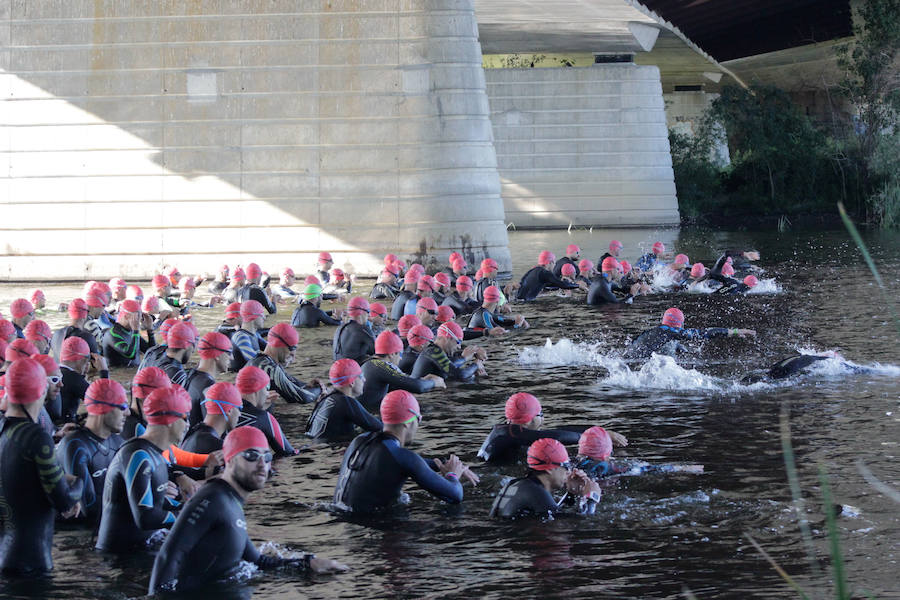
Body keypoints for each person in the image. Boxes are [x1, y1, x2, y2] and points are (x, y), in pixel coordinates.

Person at [149, 426, 347, 593]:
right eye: (251, 455)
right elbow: (168, 557)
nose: (262, 465)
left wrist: (309, 563)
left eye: (267, 456)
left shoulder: (230, 501)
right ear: (231, 460)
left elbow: (256, 560)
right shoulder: (213, 499)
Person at [0, 358, 83, 574]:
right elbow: (64, 501)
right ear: (41, 390)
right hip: (30, 559)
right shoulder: (37, 437)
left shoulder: (2, 430)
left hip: (5, 555)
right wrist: (76, 482)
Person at [333, 390, 475, 514]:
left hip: (341, 516)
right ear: (408, 422)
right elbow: (456, 495)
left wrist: (444, 463)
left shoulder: (359, 440)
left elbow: (407, 462)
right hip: (371, 527)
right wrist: (453, 475)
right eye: (419, 419)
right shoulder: (402, 457)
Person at [96, 385, 191, 553]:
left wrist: (190, 505)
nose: (187, 425)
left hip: (139, 550)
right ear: (170, 420)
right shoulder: (138, 455)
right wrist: (189, 515)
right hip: (118, 563)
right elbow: (145, 516)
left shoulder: (155, 453)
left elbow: (158, 501)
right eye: (185, 417)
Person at [57, 379, 130, 526]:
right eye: (122, 406)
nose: (127, 413)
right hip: (73, 539)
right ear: (103, 409)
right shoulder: (75, 446)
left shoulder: (117, 441)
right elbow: (89, 508)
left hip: (102, 523)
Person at [478, 392, 626, 464]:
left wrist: (596, 430)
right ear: (528, 419)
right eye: (540, 414)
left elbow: (557, 431)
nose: (543, 418)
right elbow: (557, 436)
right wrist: (596, 438)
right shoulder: (508, 433)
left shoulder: (511, 431)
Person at [489, 438, 601, 520]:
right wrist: (591, 499)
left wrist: (571, 493)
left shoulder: (521, 484)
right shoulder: (535, 492)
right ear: (550, 469)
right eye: (566, 467)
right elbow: (578, 524)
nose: (569, 472)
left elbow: (554, 514)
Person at [357, 331, 445, 410]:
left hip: (367, 411)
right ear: (392, 354)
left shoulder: (372, 363)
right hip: (368, 416)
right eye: (400, 354)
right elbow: (418, 387)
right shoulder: (380, 366)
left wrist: (423, 380)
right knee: (427, 409)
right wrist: (434, 382)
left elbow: (406, 381)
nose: (400, 358)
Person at [623, 308, 756, 360]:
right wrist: (734, 331)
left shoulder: (654, 332)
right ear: (679, 324)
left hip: (628, 359)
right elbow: (704, 333)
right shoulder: (671, 332)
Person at [305, 359, 382, 441]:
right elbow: (378, 427)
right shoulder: (346, 402)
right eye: (361, 376)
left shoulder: (324, 399)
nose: (364, 380)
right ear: (352, 382)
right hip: (332, 449)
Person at [234, 366, 298, 457]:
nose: (267, 393)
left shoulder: (226, 412)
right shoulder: (263, 418)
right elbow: (288, 452)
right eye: (267, 388)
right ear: (257, 389)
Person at [248, 323, 321, 404]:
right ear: (277, 344)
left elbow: (293, 383)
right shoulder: (268, 367)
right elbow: (303, 397)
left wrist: (310, 385)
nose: (293, 360)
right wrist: (320, 389)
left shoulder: (264, 362)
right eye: (291, 351)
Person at [184, 331, 233, 426]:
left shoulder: (192, 375)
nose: (232, 358)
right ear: (217, 355)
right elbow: (214, 428)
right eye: (229, 353)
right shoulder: (208, 387)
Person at [410, 321, 485, 383]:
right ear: (447, 338)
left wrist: (474, 354)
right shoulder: (432, 351)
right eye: (458, 342)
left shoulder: (438, 352)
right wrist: (474, 364)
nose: (459, 347)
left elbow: (454, 368)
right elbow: (460, 374)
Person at [59, 336, 110, 424]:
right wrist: (104, 372)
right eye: (88, 360)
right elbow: (104, 403)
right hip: (63, 427)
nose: (88, 364)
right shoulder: (73, 378)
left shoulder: (57, 372)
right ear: (82, 359)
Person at [182, 382, 243, 454]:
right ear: (229, 410)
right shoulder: (218, 448)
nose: (240, 414)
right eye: (240, 408)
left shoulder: (190, 435)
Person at [100, 299, 155, 368]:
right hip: (119, 376)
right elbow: (131, 354)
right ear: (126, 316)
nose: (139, 321)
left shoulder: (132, 333)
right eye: (136, 317)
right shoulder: (112, 335)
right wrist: (136, 330)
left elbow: (152, 353)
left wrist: (150, 330)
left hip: (131, 373)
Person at [517, 251, 585, 301]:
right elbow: (563, 285)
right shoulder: (544, 273)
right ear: (550, 262)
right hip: (527, 303)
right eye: (554, 263)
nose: (555, 265)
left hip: (518, 300)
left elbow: (521, 285)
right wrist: (578, 286)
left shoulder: (532, 270)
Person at [150, 321, 196, 386]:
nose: (193, 351)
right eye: (193, 347)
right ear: (187, 346)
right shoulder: (177, 374)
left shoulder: (156, 356)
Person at [332, 297, 376, 363]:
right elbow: (379, 350)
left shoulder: (340, 327)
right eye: (368, 311)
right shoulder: (363, 329)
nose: (369, 315)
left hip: (337, 368)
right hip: (354, 370)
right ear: (361, 312)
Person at [229, 300, 268, 372]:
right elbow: (254, 360)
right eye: (262, 314)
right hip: (240, 379)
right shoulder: (240, 337)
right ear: (254, 317)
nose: (264, 318)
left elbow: (271, 350)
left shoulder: (255, 334)